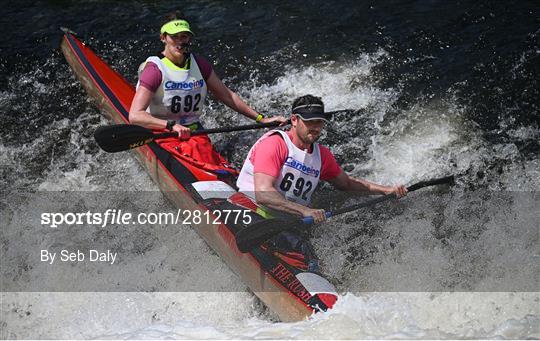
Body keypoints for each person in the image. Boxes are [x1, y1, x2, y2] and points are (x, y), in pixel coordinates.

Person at [129, 11, 286, 169]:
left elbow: (227, 96)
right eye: (174, 36)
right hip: (162, 133)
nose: (179, 41)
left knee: (217, 168)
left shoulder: (199, 64)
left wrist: (261, 119)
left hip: (193, 132)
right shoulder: (155, 70)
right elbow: (135, 116)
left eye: (184, 36)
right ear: (163, 38)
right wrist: (170, 125)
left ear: (189, 39)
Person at [237, 94, 408, 224]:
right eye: (310, 122)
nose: (316, 127)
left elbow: (347, 183)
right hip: (250, 210)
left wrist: (386, 190)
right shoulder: (275, 144)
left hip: (286, 221)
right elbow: (263, 194)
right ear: (294, 120)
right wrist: (304, 211)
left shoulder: (322, 156)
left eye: (320, 122)